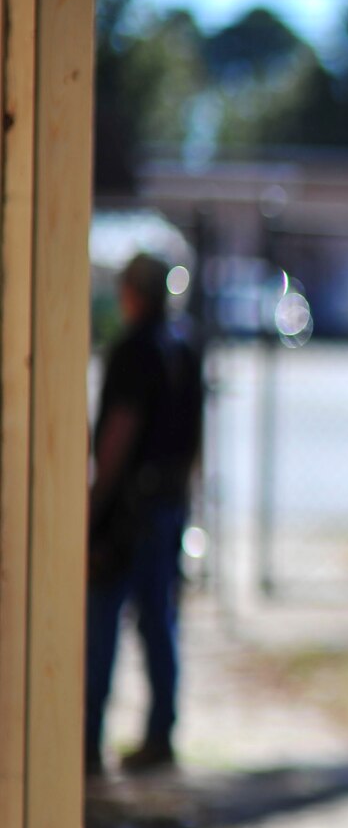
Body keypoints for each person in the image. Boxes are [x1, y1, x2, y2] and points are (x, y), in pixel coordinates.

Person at [86, 251, 203, 777]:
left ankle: (85, 739)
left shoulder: (134, 349)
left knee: (103, 622)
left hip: (129, 509)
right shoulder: (184, 346)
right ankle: (160, 734)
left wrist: (94, 508)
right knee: (159, 622)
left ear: (133, 293)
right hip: (169, 504)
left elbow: (117, 435)